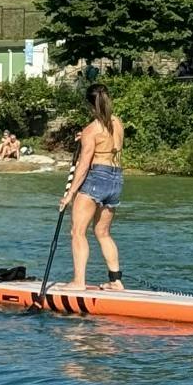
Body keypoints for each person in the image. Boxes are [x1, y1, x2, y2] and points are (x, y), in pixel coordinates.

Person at [60, 83, 125, 289]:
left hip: (97, 177)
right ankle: (116, 282)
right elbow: (108, 144)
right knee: (103, 232)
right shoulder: (118, 123)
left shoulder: (91, 130)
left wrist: (69, 194)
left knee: (77, 231)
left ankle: (78, 281)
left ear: (90, 105)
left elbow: (84, 164)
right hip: (116, 177)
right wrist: (86, 139)